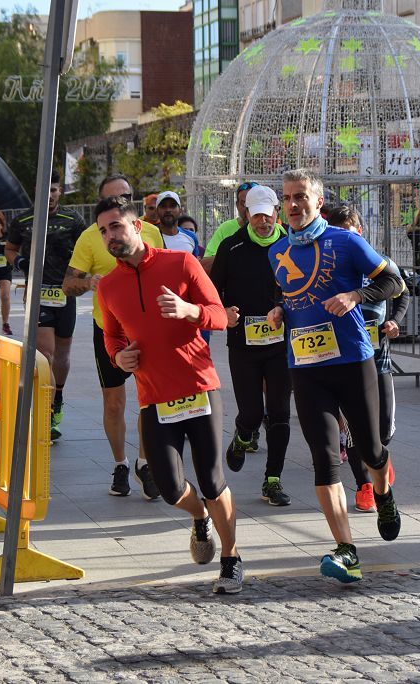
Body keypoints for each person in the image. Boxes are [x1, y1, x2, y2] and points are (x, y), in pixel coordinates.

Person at [95, 195, 243, 594]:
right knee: (168, 487)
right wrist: (117, 355)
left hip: (199, 388)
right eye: (104, 229)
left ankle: (230, 558)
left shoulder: (180, 263)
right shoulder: (108, 286)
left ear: (137, 226)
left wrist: (189, 311)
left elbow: (220, 315)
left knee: (212, 480)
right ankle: (200, 518)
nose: (111, 235)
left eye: (117, 226)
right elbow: (111, 334)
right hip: (154, 397)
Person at [266, 168, 403, 583]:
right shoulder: (275, 251)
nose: (293, 204)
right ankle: (347, 551)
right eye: (287, 198)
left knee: (371, 450)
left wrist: (355, 295)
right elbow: (288, 293)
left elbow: (393, 282)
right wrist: (278, 310)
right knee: (324, 461)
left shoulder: (345, 241)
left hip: (351, 360)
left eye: (301, 197)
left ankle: (383, 493)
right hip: (305, 367)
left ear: (318, 201)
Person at [62, 173, 163, 498]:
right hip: (109, 330)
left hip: (147, 330)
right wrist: (89, 282)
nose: (121, 203)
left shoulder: (151, 231)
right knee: (115, 403)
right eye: (113, 199)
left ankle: (144, 463)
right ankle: (120, 464)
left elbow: (162, 272)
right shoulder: (92, 237)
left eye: (127, 196)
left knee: (150, 402)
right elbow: (68, 284)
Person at [209, 184, 292, 506]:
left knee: (280, 412)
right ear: (246, 214)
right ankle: (243, 434)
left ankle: (273, 479)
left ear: (276, 213)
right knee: (252, 412)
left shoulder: (290, 246)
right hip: (243, 342)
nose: (262, 222)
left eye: (267, 215)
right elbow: (212, 293)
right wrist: (223, 313)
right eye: (255, 215)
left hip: (281, 342)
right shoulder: (232, 247)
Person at [330, 204, 404, 513]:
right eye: (341, 233)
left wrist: (395, 321)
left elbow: (402, 291)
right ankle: (364, 485)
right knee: (353, 428)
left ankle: (378, 458)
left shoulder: (379, 264)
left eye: (352, 231)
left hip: (379, 359)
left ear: (360, 232)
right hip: (345, 362)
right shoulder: (329, 270)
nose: (348, 238)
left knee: (383, 428)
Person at [5, 170, 86, 441]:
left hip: (66, 293)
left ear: (60, 192)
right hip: (37, 293)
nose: (49, 195)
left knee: (62, 356)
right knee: (46, 355)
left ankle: (58, 397)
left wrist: (78, 267)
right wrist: (21, 263)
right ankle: (46, 413)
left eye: (54, 190)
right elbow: (9, 249)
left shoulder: (73, 219)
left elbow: (88, 251)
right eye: (45, 190)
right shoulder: (23, 220)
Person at [200, 181, 258, 273]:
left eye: (254, 204)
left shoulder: (273, 230)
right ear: (237, 205)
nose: (248, 209)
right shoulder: (225, 228)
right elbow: (205, 266)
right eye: (244, 204)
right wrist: (232, 253)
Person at [156, 191, 201, 256]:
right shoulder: (150, 236)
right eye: (163, 206)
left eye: (172, 206)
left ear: (180, 210)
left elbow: (194, 263)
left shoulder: (191, 236)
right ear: (157, 211)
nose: (168, 210)